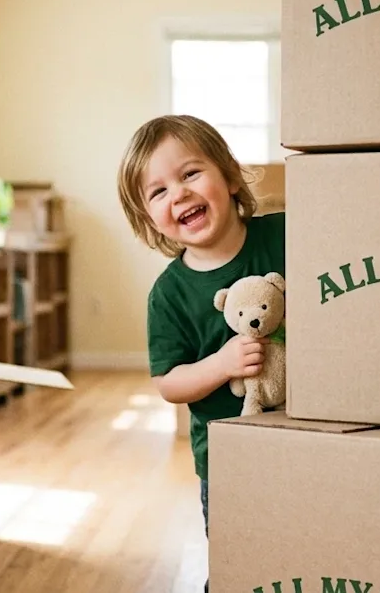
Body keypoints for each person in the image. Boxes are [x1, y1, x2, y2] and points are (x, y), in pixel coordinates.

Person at [117, 114, 286, 593]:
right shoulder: (169, 294)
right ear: (150, 217)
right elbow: (168, 382)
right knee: (242, 559)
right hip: (228, 457)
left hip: (306, 433)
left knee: (306, 544)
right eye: (159, 191)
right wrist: (222, 365)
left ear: (230, 176)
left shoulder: (284, 237)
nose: (180, 194)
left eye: (191, 174)